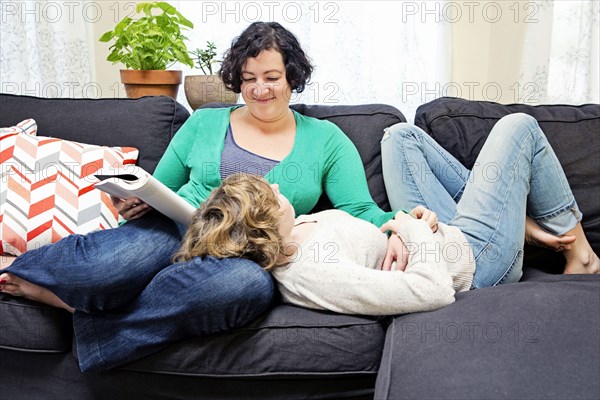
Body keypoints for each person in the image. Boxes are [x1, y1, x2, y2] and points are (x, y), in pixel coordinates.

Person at [0, 21, 394, 372]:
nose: (259, 89)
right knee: (106, 267)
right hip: (175, 227)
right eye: (248, 77)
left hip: (243, 254)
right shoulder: (207, 122)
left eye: (271, 77)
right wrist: (134, 200)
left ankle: (76, 310)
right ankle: (19, 265)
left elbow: (358, 209)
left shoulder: (326, 140)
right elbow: (160, 185)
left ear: (292, 76)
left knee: (244, 291)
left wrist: (403, 223)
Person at [174, 113, 598, 315]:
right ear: (263, 224)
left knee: (399, 136)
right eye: (273, 193)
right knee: (518, 126)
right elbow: (431, 291)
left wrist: (402, 226)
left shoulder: (295, 233)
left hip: (435, 232)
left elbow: (370, 227)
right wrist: (415, 234)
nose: (281, 186)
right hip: (474, 259)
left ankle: (514, 219)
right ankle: (580, 253)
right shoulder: (311, 273)